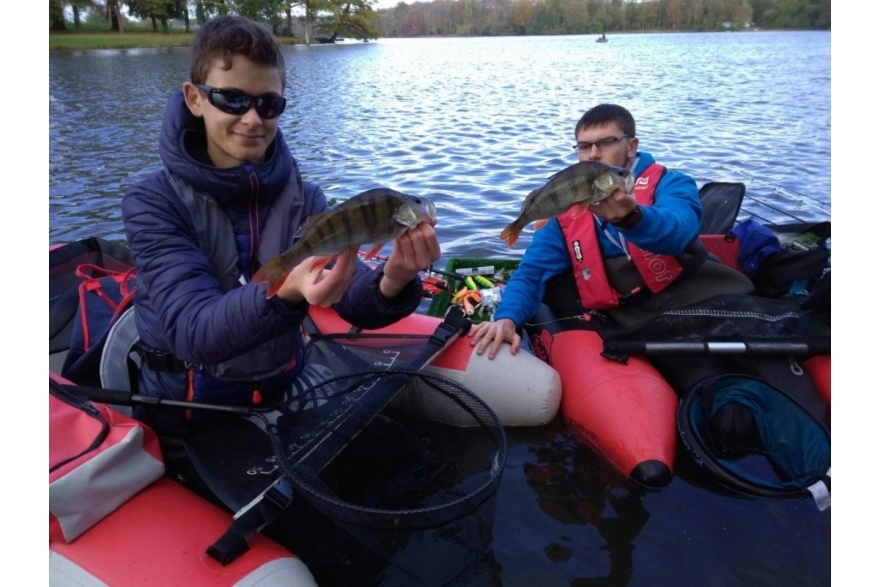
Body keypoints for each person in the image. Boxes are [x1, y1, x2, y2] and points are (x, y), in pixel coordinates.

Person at [121, 15, 440, 492]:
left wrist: (393, 279)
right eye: (232, 99)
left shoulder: (304, 198)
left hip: (282, 387)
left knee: (412, 475)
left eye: (269, 104)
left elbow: (348, 295)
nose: (253, 119)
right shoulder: (152, 200)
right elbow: (193, 333)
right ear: (195, 98)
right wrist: (285, 295)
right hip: (190, 410)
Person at [470, 103, 753, 358]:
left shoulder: (672, 184)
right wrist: (506, 318)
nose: (594, 153)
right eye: (583, 146)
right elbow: (532, 272)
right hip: (630, 319)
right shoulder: (566, 212)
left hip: (699, 301)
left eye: (606, 142)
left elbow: (678, 231)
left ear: (631, 146)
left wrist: (632, 219)